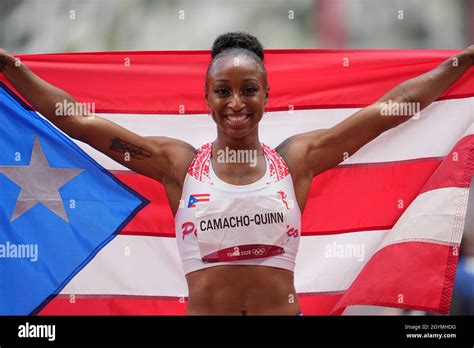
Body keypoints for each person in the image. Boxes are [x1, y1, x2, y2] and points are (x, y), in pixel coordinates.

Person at [0, 32, 473, 316]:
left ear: (267, 95)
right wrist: (11, 67)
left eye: (249, 89)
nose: (236, 103)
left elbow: (389, 110)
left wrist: (465, 61)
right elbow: (78, 122)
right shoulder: (179, 166)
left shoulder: (298, 160)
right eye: (222, 90)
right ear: (206, 99)